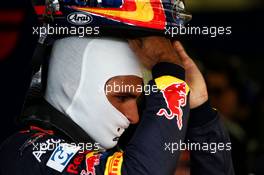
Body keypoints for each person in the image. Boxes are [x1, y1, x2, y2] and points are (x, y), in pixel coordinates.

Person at [0, 36, 234, 175]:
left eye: (137, 100)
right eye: (122, 97)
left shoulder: (116, 153)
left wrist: (200, 111)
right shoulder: (27, 152)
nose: (134, 117)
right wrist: (169, 72)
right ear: (75, 86)